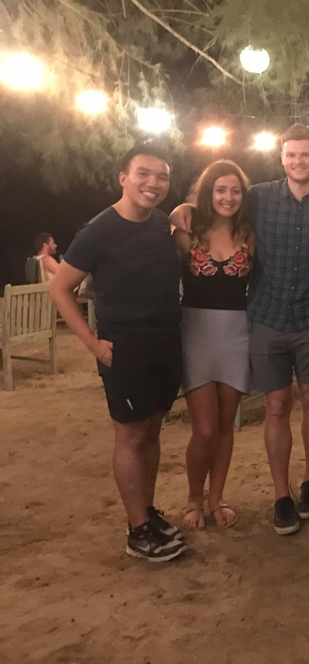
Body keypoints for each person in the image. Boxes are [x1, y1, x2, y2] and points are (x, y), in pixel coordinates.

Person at [171, 123, 309, 535]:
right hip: (266, 316)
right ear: (282, 157)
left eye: (306, 154)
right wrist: (180, 209)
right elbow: (216, 203)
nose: (298, 161)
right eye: (291, 154)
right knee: (275, 407)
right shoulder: (260, 198)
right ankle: (279, 494)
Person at [49, 142, 186, 562]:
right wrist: (92, 343)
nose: (153, 183)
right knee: (129, 436)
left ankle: (147, 510)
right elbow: (61, 287)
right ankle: (137, 530)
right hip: (123, 349)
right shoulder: (98, 230)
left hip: (166, 343)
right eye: (143, 173)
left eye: (161, 176)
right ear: (123, 177)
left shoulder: (162, 225)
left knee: (153, 430)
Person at [173, 160, 255, 531]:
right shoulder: (187, 232)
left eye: (235, 190)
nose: (228, 197)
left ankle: (216, 497)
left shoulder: (250, 233)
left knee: (225, 426)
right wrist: (179, 211)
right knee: (204, 429)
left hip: (237, 333)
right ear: (208, 192)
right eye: (220, 190)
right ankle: (193, 498)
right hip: (196, 333)